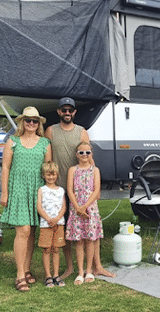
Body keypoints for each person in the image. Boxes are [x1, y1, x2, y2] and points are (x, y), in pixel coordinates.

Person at [45, 97, 115, 279]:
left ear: (74, 112)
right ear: (59, 112)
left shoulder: (82, 132)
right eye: (63, 110)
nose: (67, 113)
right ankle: (70, 268)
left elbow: (89, 158)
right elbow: (48, 161)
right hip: (61, 190)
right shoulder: (50, 131)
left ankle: (97, 266)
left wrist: (95, 184)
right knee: (68, 231)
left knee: (91, 230)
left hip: (83, 191)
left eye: (70, 110)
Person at [0, 106, 51, 292]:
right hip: (19, 190)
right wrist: (4, 193)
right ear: (22, 122)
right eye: (28, 120)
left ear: (39, 124)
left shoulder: (45, 143)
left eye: (34, 121)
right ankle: (20, 276)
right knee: (23, 231)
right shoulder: (12, 141)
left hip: (37, 191)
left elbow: (48, 170)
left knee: (31, 233)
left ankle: (27, 269)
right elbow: (5, 168)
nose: (31, 123)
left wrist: (48, 195)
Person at [66, 141, 103, 284]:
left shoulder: (95, 170)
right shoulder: (72, 170)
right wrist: (78, 208)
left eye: (87, 152)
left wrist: (85, 207)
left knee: (90, 240)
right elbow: (70, 189)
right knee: (79, 240)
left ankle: (89, 271)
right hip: (76, 209)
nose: (84, 155)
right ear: (77, 154)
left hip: (90, 209)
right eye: (81, 152)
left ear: (91, 154)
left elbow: (96, 190)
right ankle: (80, 272)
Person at [37, 161, 66, 288]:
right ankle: (48, 275)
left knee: (56, 249)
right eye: (48, 175)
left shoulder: (61, 190)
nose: (51, 177)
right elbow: (39, 207)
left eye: (53, 175)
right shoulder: (42, 190)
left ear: (57, 175)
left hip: (58, 223)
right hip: (45, 224)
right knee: (46, 249)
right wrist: (48, 219)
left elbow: (64, 206)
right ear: (43, 175)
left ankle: (56, 275)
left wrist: (57, 218)